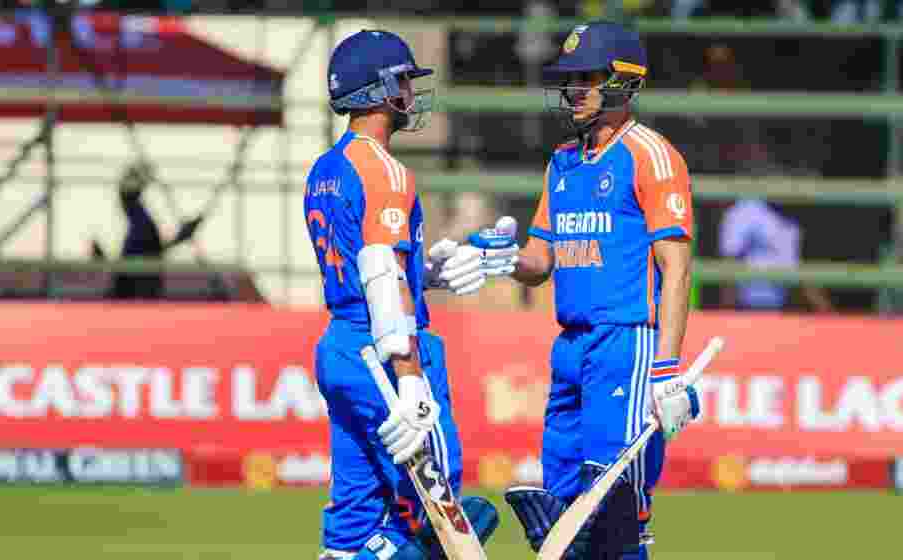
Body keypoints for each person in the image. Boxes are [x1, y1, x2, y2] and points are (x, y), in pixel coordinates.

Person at [450, 21, 702, 560]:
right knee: (562, 509)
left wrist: (666, 368)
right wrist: (498, 258)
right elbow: (540, 261)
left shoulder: (651, 156)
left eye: (587, 77)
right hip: (570, 347)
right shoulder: (563, 161)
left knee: (612, 503)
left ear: (622, 81)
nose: (574, 90)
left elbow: (676, 267)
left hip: (625, 343)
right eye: (570, 79)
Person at [304, 29, 510, 560]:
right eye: (403, 82)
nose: (411, 95)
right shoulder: (386, 170)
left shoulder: (325, 169)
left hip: (341, 344)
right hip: (384, 347)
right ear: (379, 91)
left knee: (356, 513)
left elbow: (364, 264)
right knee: (439, 504)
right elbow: (380, 271)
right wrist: (411, 376)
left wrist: (429, 273)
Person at [105, 162, 202, 300]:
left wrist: (183, 234)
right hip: (139, 289)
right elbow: (155, 250)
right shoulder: (140, 222)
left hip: (143, 288)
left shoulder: (141, 224)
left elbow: (155, 250)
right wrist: (183, 234)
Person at [718, 199, 834, 312]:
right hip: (746, 309)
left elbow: (797, 272)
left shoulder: (793, 219)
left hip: (781, 310)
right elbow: (729, 266)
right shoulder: (744, 211)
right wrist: (727, 318)